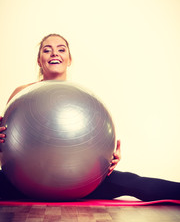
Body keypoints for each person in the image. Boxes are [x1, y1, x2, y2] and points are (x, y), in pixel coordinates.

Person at [0, 34, 180, 201]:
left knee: (131, 182)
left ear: (69, 60)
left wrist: (108, 156)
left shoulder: (84, 99)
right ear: (39, 60)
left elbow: (98, 141)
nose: (54, 53)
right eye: (47, 50)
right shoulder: (20, 94)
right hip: (25, 182)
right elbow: (8, 141)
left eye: (61, 49)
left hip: (80, 183)